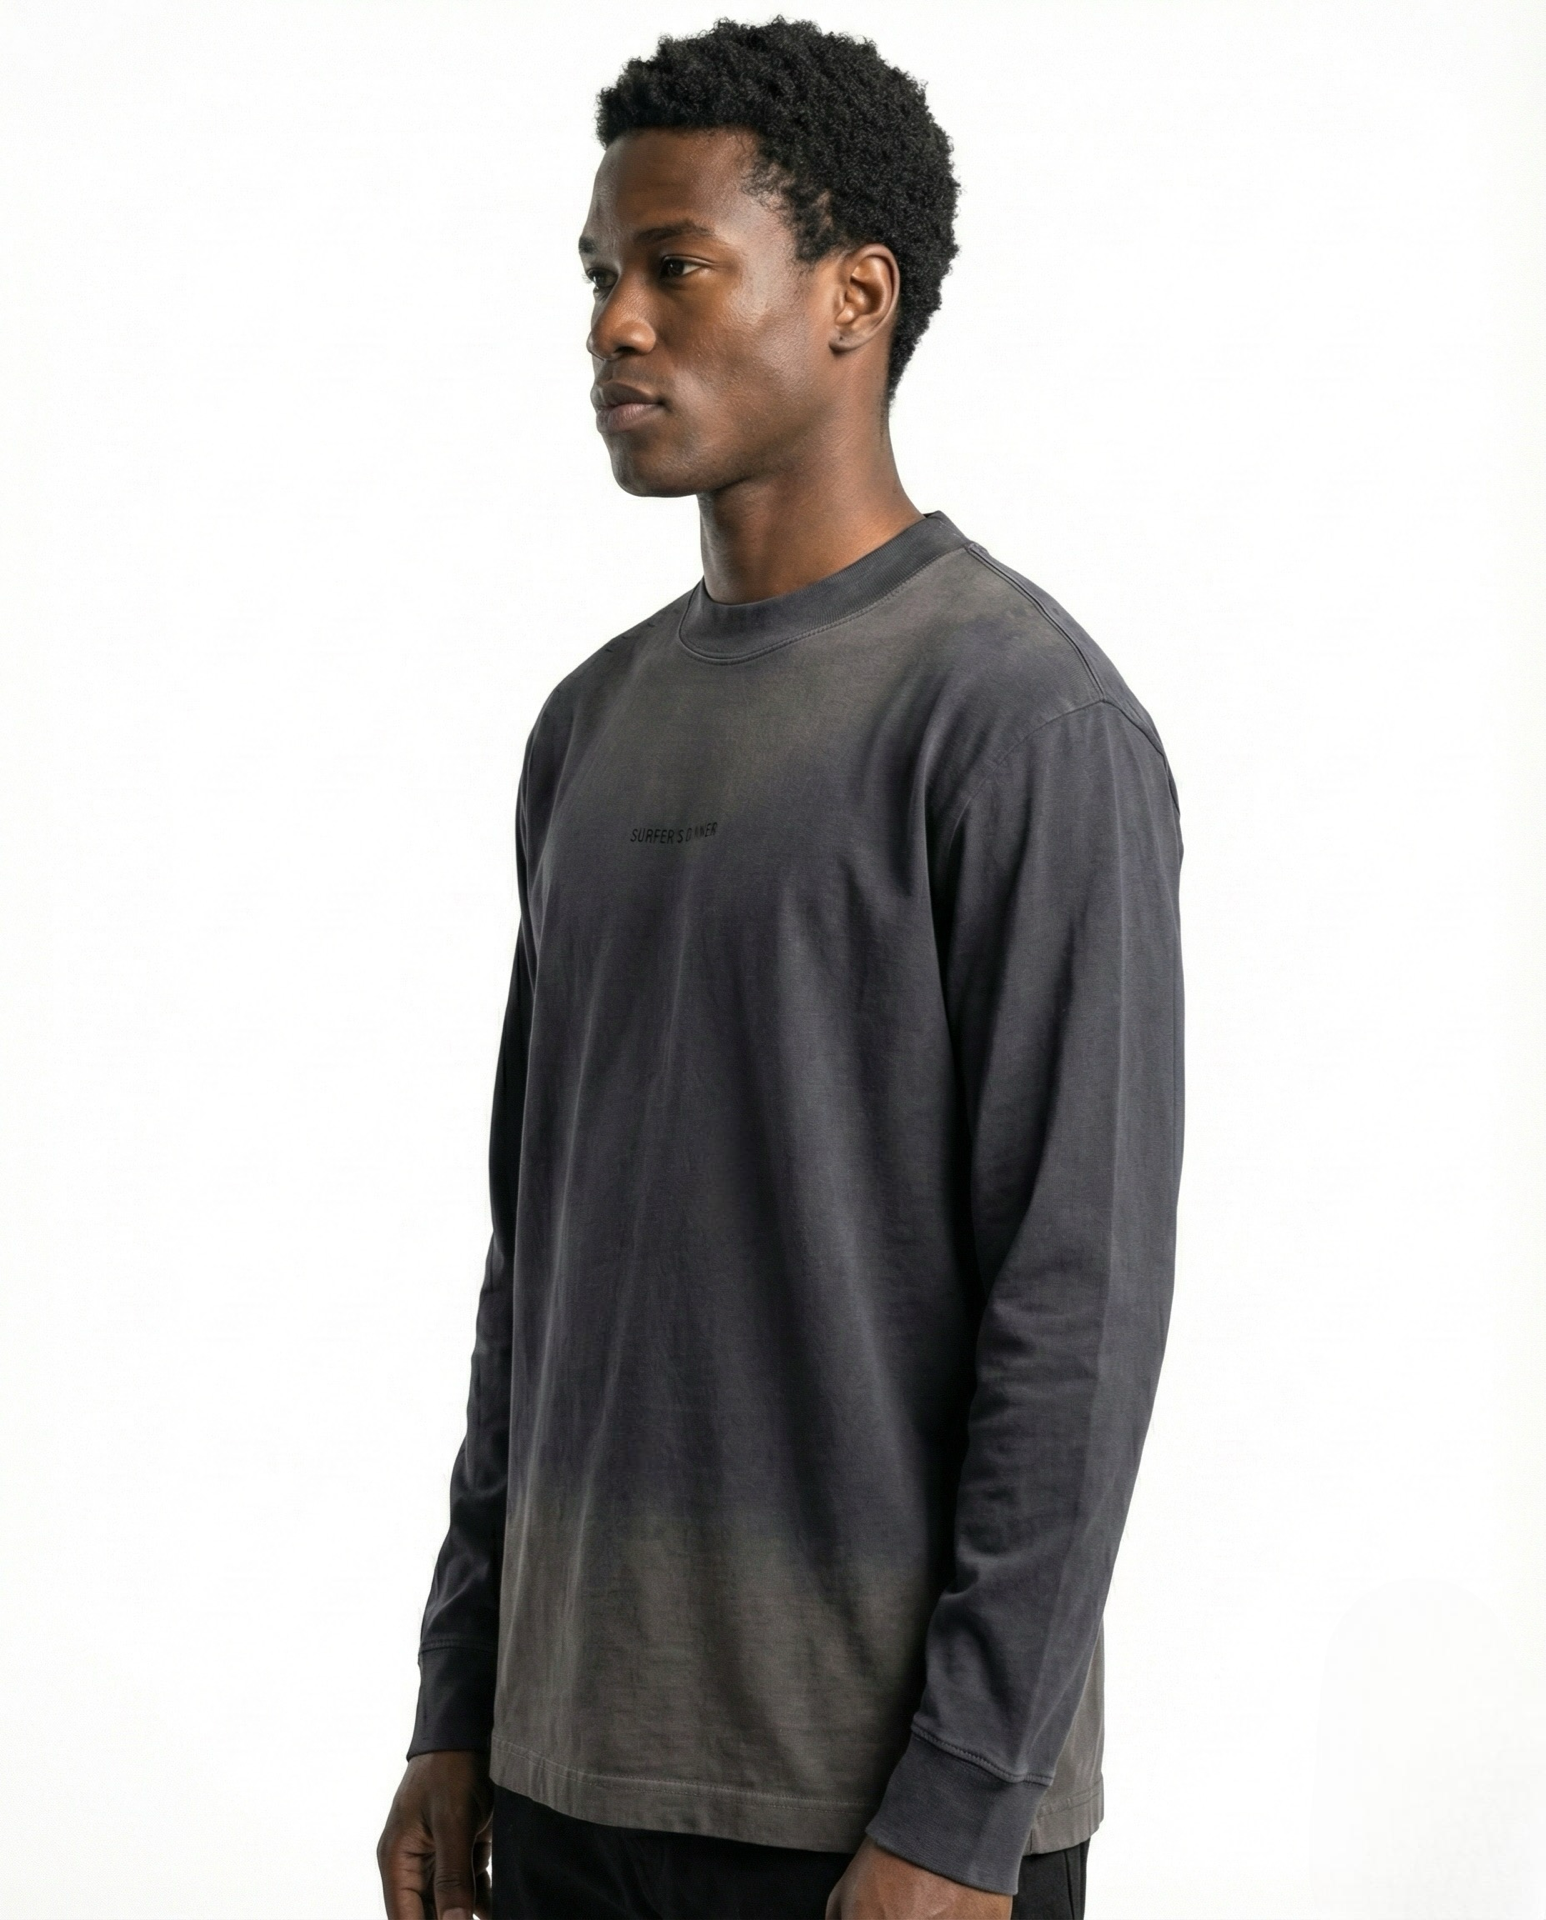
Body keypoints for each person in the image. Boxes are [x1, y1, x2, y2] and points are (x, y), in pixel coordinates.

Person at [377, 18, 1184, 1920]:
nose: (613, 326)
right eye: (599, 273)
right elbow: (535, 1260)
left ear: (853, 297)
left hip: (870, 1822)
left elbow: (1074, 1307)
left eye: (676, 268)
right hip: (564, 1778)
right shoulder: (586, 728)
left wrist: (960, 1808)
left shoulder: (1019, 721)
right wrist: (456, 1698)